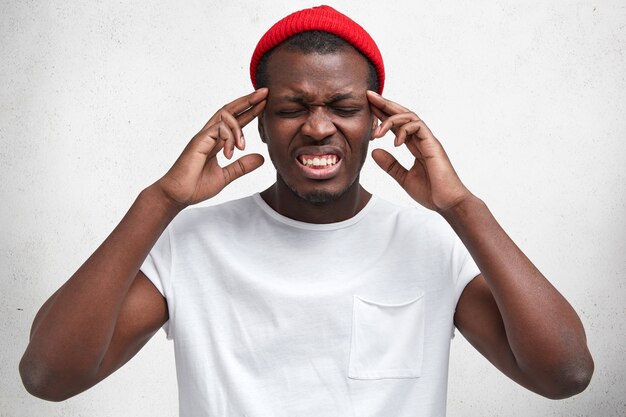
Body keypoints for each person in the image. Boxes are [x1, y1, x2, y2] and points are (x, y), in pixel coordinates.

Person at [19, 5, 593, 416]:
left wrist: (463, 208)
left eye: (343, 106)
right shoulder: (192, 242)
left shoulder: (433, 242)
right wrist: (160, 202)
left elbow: (565, 375)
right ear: (258, 125)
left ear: (376, 123)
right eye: (292, 107)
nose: (319, 127)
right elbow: (49, 377)